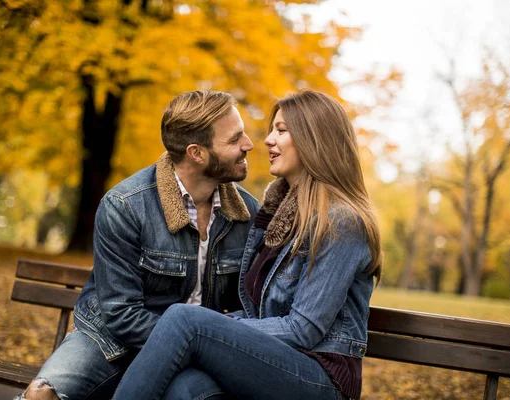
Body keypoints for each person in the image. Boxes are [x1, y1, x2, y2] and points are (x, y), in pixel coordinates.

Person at [112, 90, 383, 400]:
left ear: (314, 139)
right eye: (272, 129)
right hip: (275, 364)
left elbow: (303, 330)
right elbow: (258, 313)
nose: (267, 140)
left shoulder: (340, 221)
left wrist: (215, 325)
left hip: (322, 377)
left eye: (281, 130)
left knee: (184, 319)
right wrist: (223, 325)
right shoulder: (279, 215)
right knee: (185, 388)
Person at [17, 90, 260, 400]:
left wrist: (212, 341)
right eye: (234, 139)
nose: (248, 145)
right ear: (196, 153)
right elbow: (121, 315)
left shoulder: (248, 215)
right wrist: (192, 341)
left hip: (201, 352)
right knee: (42, 396)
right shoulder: (125, 206)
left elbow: (250, 307)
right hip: (112, 341)